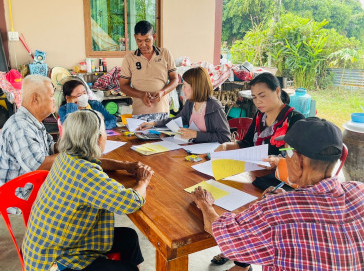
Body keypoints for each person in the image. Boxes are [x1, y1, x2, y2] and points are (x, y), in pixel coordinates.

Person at [192, 117, 364, 271]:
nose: (284, 159)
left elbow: (222, 233)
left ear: (298, 160)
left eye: (286, 153)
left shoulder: (276, 210)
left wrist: (205, 204)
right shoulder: (359, 191)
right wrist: (286, 200)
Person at [23, 110, 154, 271]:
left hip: (51, 246)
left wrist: (124, 165)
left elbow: (97, 162)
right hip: (55, 262)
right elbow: (130, 202)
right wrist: (143, 181)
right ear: (99, 139)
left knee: (129, 237)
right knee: (128, 269)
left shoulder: (66, 157)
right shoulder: (85, 174)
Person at [210, 72, 304, 266]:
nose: (258, 102)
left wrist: (278, 160)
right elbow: (245, 143)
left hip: (282, 180)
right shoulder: (260, 117)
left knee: (254, 211)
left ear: (277, 91)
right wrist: (226, 147)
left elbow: (300, 158)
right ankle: (235, 247)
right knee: (228, 195)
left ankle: (241, 261)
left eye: (262, 95)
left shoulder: (295, 119)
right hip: (256, 173)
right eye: (254, 97)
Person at [0, 75, 58, 212]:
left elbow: (50, 147)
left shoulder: (34, 121)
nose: (54, 100)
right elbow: (40, 166)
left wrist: (70, 144)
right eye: (51, 95)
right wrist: (74, 152)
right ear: (36, 98)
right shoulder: (21, 127)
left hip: (26, 186)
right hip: (17, 194)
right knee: (76, 192)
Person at [138, 67, 231, 144]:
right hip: (193, 148)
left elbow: (225, 137)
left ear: (195, 87)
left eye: (185, 86)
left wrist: (196, 135)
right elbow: (177, 119)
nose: (182, 89)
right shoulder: (190, 103)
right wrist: (154, 123)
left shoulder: (214, 107)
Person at [120, 20, 178, 122]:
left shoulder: (165, 54)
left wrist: (162, 92)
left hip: (162, 113)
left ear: (154, 37)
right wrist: (141, 95)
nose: (143, 45)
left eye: (147, 40)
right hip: (139, 114)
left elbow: (175, 79)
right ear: (135, 38)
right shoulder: (129, 58)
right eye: (139, 41)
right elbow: (123, 86)